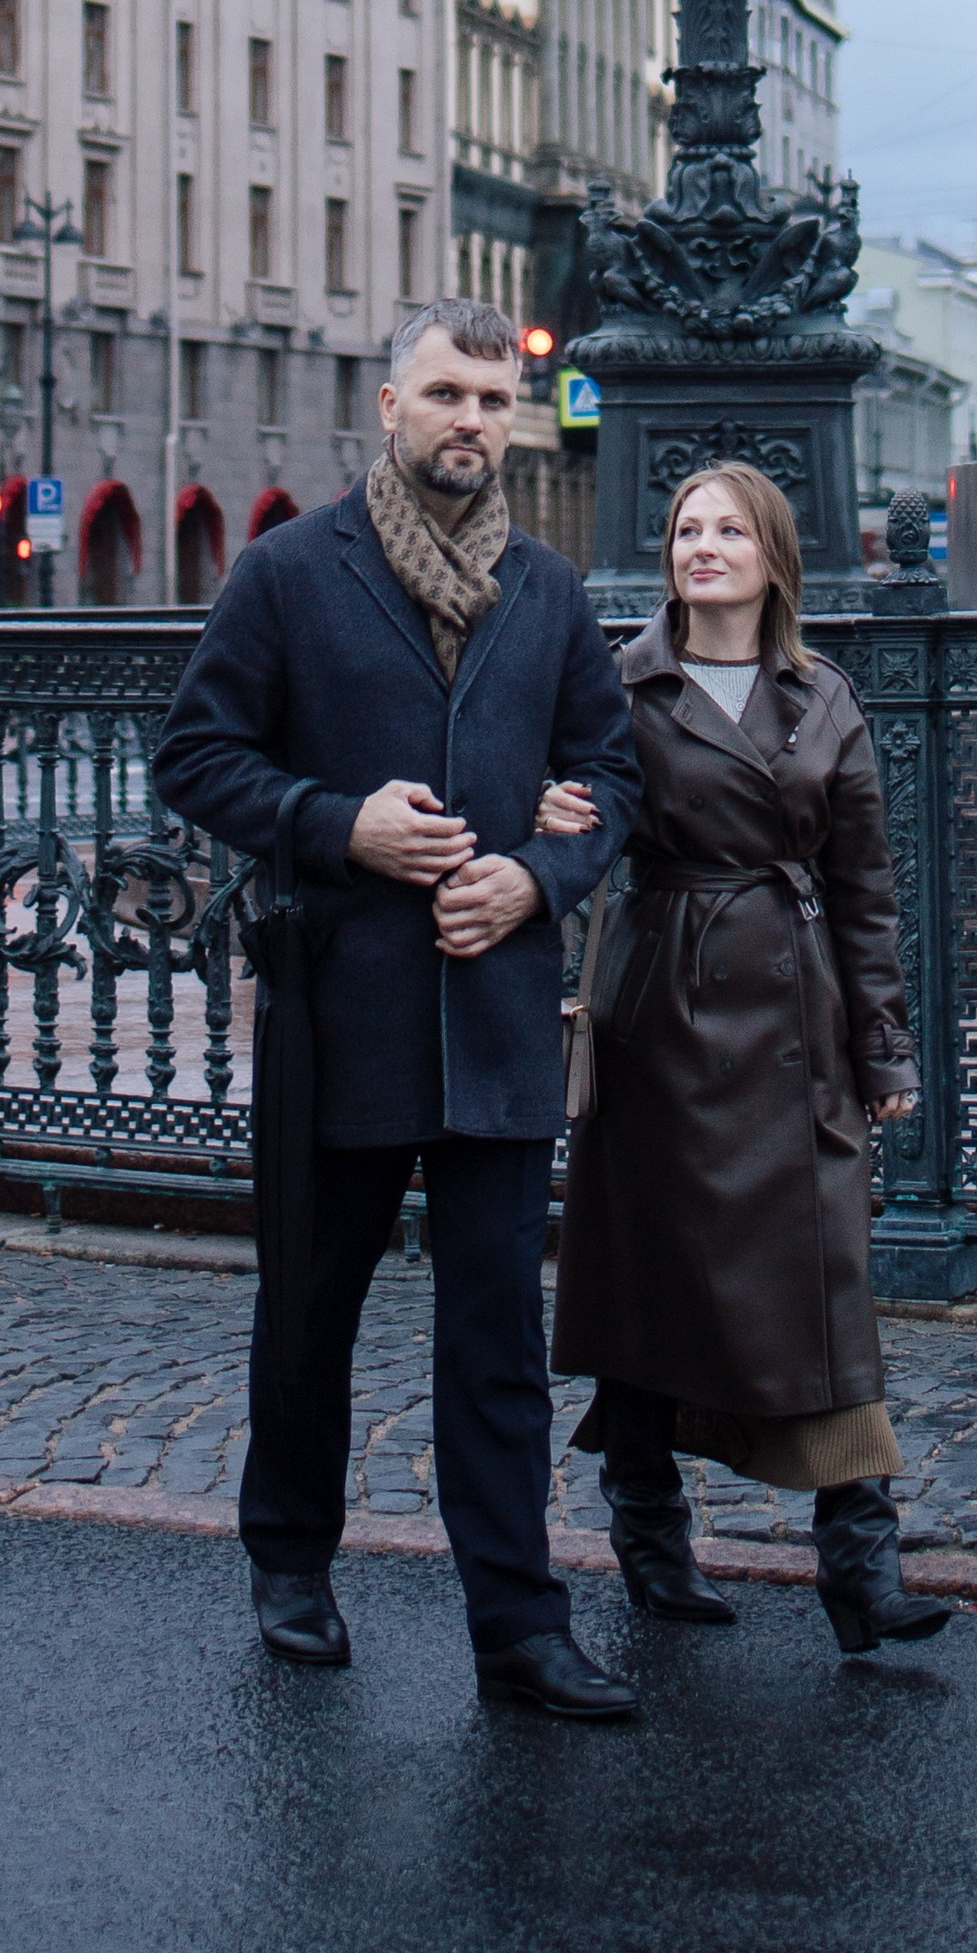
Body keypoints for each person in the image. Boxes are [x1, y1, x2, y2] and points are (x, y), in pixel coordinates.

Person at [151, 296, 642, 1720]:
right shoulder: (291, 572)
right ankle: (292, 1562)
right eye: (447, 396)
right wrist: (334, 823)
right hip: (338, 1010)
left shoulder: (545, 592)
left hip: (495, 1013)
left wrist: (539, 880)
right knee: (308, 1313)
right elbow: (195, 753)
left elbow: (611, 779)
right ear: (389, 407)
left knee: (496, 1340)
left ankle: (519, 1628)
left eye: (494, 402)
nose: (473, 424)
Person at [540, 466, 951, 1658]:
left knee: (826, 1280)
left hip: (797, 1008)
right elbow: (565, 811)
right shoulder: (616, 685)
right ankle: (650, 1540)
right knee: (648, 1279)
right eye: (684, 529)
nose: (701, 547)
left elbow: (866, 888)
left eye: (728, 530)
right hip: (662, 1003)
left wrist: (882, 1043)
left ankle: (860, 1566)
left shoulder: (823, 694)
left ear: (773, 554)